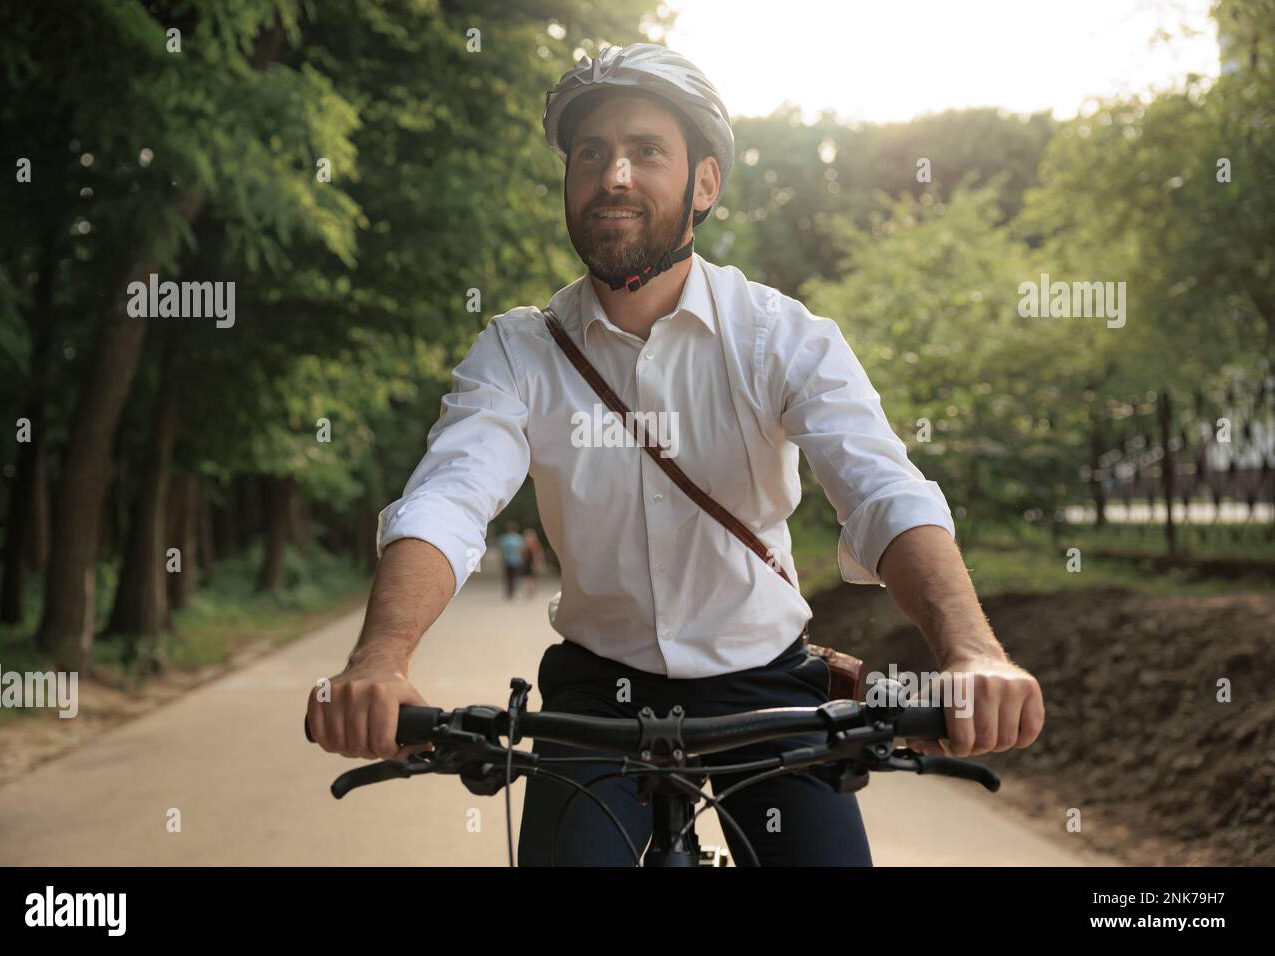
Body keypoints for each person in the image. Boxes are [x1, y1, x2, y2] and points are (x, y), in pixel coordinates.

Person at [307, 43, 1045, 866]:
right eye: (591, 153)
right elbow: (448, 499)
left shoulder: (779, 336)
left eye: (646, 151)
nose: (613, 174)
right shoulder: (517, 352)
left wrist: (972, 652)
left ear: (705, 183)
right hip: (595, 697)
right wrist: (380, 660)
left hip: (766, 691)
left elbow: (882, 493)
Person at [496, 521, 525, 600]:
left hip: (507, 560)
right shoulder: (519, 538)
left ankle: (509, 592)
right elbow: (522, 551)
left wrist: (501, 560)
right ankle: (513, 592)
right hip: (516, 560)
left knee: (508, 577)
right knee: (515, 577)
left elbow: (502, 551)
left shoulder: (504, 538)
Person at [520, 528, 546, 598]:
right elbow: (539, 554)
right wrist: (540, 563)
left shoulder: (526, 544)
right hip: (530, 562)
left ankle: (529, 591)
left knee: (528, 577)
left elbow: (523, 554)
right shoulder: (534, 544)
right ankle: (531, 590)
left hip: (528, 562)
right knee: (531, 577)